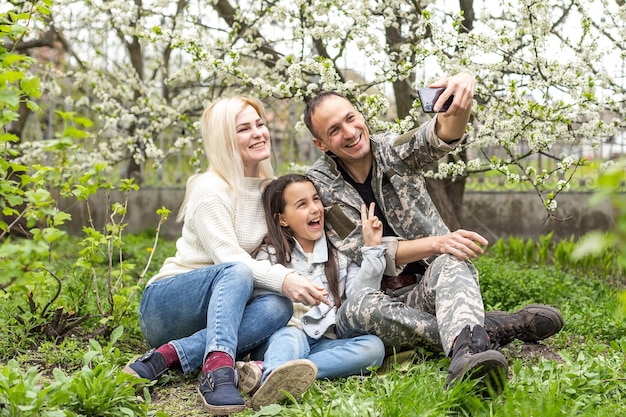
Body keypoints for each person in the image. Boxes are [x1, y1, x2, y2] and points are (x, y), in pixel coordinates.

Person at [303, 72, 564, 390]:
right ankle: (486, 330)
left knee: (452, 258)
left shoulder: (391, 149)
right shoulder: (319, 186)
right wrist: (438, 242)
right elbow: (366, 248)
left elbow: (439, 135)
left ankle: (468, 360)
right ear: (320, 143)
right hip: (376, 300)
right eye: (334, 130)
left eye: (351, 118)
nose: (350, 132)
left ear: (360, 115)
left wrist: (462, 95)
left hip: (429, 288)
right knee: (356, 310)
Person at [122, 96, 329, 415]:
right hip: (168, 305)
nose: (259, 133)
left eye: (260, 124)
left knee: (278, 305)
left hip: (224, 309)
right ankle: (217, 371)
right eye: (244, 128)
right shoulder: (211, 189)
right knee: (239, 271)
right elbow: (229, 259)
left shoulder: (269, 190)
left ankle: (170, 356)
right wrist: (285, 279)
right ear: (224, 140)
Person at [238, 174, 386, 410]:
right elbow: (259, 307)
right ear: (283, 219)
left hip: (323, 341)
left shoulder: (338, 254)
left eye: (316, 199)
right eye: (302, 204)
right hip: (283, 338)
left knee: (374, 348)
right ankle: (273, 380)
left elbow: (359, 297)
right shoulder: (270, 255)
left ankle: (276, 372)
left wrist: (372, 248)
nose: (315, 208)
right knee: (292, 336)